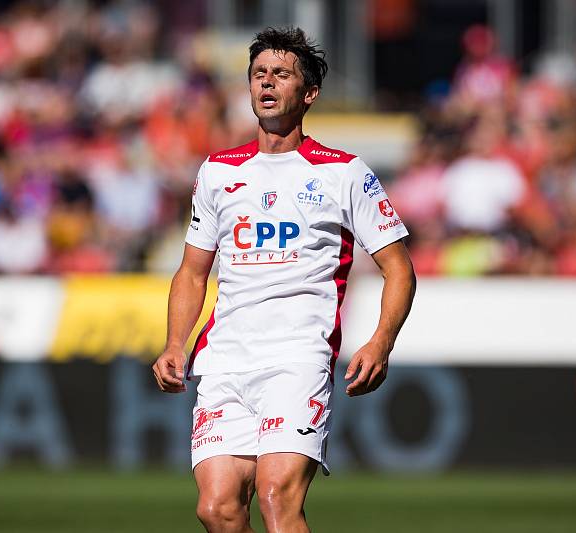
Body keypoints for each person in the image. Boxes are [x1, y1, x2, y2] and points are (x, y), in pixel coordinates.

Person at [152, 27, 415, 532]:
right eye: (258, 74)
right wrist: (174, 343)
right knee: (218, 509)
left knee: (276, 498)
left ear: (308, 93)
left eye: (281, 73)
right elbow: (192, 270)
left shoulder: (344, 173)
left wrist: (380, 342)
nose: (266, 83)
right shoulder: (217, 171)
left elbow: (399, 267)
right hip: (225, 356)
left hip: (297, 355)